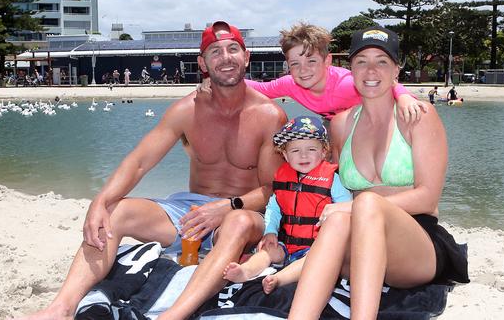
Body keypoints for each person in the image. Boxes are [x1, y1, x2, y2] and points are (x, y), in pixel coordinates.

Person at [20, 21, 287, 320]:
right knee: (116, 212)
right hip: (188, 213)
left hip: (241, 214)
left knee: (237, 223)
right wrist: (101, 201)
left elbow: (272, 190)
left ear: (246, 56)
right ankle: (60, 308)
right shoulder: (187, 110)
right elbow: (139, 161)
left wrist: (227, 206)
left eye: (233, 49)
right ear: (202, 62)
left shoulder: (269, 116)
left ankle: (172, 315)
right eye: (215, 51)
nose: (225, 57)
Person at [288, 26, 469, 319]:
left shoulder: (417, 117)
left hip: (414, 245)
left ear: (396, 70)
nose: (371, 69)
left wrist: (354, 206)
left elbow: (427, 198)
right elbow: (328, 184)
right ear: (351, 69)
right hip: (357, 243)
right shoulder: (341, 125)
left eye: (382, 61)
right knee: (336, 224)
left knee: (366, 203)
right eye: (361, 61)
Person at [222, 115, 351, 294]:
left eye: (311, 149)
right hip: (287, 243)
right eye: (295, 151)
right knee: (268, 251)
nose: (303, 155)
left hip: (316, 246)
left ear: (323, 152)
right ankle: (246, 271)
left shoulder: (332, 180)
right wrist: (270, 232)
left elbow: (347, 207)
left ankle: (280, 279)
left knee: (313, 259)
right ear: (285, 155)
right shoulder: (283, 179)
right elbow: (274, 209)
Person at [199, 22, 426, 123]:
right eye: (295, 63)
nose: (303, 70)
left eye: (311, 60)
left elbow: (381, 82)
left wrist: (405, 96)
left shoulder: (347, 84)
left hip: (367, 125)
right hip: (334, 127)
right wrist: (213, 80)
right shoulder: (292, 84)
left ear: (327, 60)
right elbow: (260, 88)